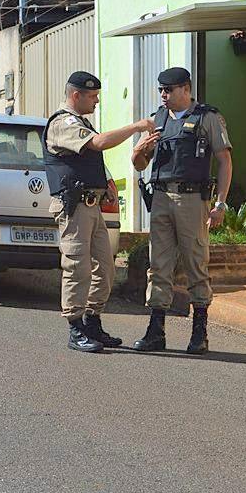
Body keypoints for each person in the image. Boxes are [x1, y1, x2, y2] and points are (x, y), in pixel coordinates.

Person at [43, 71, 156, 352]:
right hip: (74, 208)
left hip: (92, 207)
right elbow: (98, 143)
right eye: (92, 96)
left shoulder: (82, 122)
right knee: (76, 267)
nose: (96, 102)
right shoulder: (63, 123)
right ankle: (75, 326)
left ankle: (92, 320)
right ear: (75, 95)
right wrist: (136, 127)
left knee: (104, 267)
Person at [130, 67, 233, 354]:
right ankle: (156, 331)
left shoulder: (207, 117)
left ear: (186, 89)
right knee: (158, 265)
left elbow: (224, 160)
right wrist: (139, 151)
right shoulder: (157, 119)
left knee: (195, 263)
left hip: (191, 199)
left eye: (169, 90)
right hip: (160, 197)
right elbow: (139, 164)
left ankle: (199, 331)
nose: (163, 95)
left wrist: (220, 204)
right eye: (161, 90)